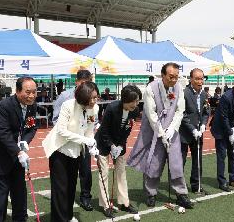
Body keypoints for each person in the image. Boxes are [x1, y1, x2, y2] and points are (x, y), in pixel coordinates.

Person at [127, 62, 193, 209]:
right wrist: (162, 134)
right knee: (153, 163)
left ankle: (181, 194)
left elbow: (179, 110)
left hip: (172, 131)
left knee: (176, 163)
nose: (174, 80)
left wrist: (172, 129)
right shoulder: (151, 88)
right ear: (163, 75)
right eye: (171, 77)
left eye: (176, 77)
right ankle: (151, 193)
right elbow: (151, 114)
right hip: (154, 131)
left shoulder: (179, 88)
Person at [0, 77, 38, 222]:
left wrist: (25, 141)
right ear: (18, 91)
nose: (31, 95)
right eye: (28, 92)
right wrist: (18, 151)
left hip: (17, 157)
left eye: (34, 92)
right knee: (1, 196)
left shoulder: (32, 105)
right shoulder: (4, 106)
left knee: (19, 193)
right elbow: (2, 132)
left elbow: (31, 127)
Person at [42, 81, 100, 222]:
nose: (94, 101)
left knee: (71, 186)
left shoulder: (95, 108)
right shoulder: (68, 105)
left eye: (96, 97)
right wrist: (85, 140)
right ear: (83, 97)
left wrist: (92, 145)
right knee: (60, 188)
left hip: (76, 151)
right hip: (60, 149)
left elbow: (89, 129)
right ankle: (59, 219)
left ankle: (67, 216)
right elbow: (62, 131)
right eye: (91, 98)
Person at [95, 85, 141, 218]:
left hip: (119, 143)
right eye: (134, 101)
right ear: (125, 99)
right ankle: (105, 204)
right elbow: (104, 130)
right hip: (103, 143)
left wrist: (120, 145)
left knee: (121, 172)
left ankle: (124, 203)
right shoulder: (112, 108)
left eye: (138, 101)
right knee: (104, 173)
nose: (136, 104)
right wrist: (111, 146)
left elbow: (128, 129)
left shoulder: (134, 110)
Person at [51, 69, 95, 211]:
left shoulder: (93, 104)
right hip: (64, 144)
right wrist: (76, 134)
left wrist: (91, 141)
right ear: (76, 82)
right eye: (82, 84)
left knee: (86, 171)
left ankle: (85, 197)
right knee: (65, 180)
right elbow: (56, 121)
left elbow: (91, 123)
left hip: (82, 144)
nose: (85, 88)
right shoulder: (65, 97)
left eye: (88, 84)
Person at [210, 76, 234, 192]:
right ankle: (222, 182)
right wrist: (230, 132)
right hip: (221, 130)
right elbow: (223, 117)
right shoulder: (226, 97)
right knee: (222, 156)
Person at [179, 68, 210, 195]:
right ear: (191, 79)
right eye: (197, 78)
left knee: (197, 159)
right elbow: (182, 113)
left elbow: (206, 111)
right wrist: (192, 128)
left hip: (198, 133)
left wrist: (203, 124)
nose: (200, 81)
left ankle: (196, 185)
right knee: (181, 161)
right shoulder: (184, 93)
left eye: (201, 78)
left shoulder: (204, 94)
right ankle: (179, 187)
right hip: (184, 133)